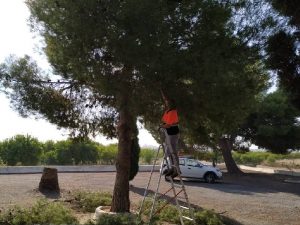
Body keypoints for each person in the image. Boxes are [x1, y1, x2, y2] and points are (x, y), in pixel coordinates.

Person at [161, 97, 180, 178]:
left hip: (173, 132)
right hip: (168, 133)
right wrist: (163, 126)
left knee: (173, 152)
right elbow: (165, 121)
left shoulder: (173, 111)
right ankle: (172, 168)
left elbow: (169, 124)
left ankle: (177, 170)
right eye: (165, 102)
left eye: (168, 102)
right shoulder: (167, 111)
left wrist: (163, 126)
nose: (166, 103)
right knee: (168, 152)